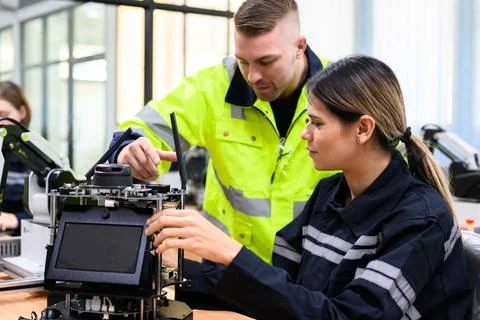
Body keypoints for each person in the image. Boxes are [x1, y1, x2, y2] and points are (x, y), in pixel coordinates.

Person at [145, 55, 472, 319]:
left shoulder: (420, 219)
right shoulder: (331, 192)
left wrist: (230, 252)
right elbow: (282, 295)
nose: (305, 135)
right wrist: (177, 269)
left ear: (363, 129)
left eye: (316, 123)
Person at [109, 0, 337, 263]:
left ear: (299, 47)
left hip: (309, 278)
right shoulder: (212, 87)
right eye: (243, 61)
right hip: (226, 273)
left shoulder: (341, 90)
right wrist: (131, 149)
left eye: (266, 61)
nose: (252, 76)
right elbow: (141, 129)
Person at [0, 81, 33, 236]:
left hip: (21, 239)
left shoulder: (37, 154)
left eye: (3, 115)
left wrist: (16, 219)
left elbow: (54, 210)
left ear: (22, 112)